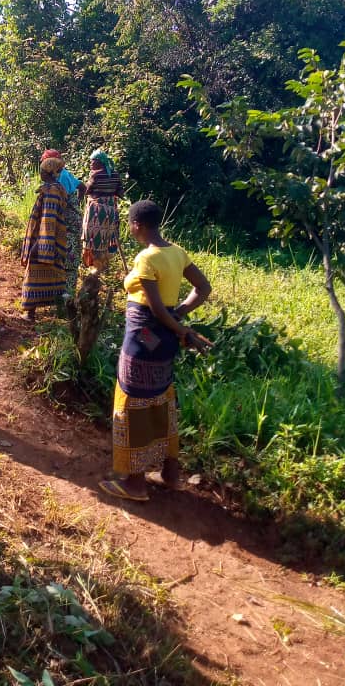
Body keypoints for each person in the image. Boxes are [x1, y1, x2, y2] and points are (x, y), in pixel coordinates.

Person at [99, 200, 212, 503]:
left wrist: (179, 326)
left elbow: (156, 309)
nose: (130, 227)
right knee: (162, 399)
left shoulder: (146, 259)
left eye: (130, 223)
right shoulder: (177, 253)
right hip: (163, 343)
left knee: (133, 402)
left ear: (137, 225)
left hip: (142, 341)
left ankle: (135, 484)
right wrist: (181, 317)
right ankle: (171, 474)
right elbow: (203, 287)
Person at [21, 151, 69, 321]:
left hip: (46, 240)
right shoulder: (57, 189)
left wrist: (39, 246)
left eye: (41, 170)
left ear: (47, 172)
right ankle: (61, 312)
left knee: (34, 274)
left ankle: (30, 313)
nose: (39, 173)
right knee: (55, 276)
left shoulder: (51, 191)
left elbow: (48, 221)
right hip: (53, 240)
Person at [81, 149, 125, 271]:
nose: (90, 164)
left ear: (100, 162)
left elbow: (86, 191)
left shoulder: (96, 175)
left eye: (92, 161)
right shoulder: (115, 174)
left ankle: (95, 268)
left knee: (93, 240)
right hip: (110, 212)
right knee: (106, 240)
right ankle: (104, 267)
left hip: (96, 212)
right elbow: (121, 193)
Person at [55, 157, 86, 300]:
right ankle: (67, 296)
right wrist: (77, 203)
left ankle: (64, 298)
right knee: (71, 260)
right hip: (74, 223)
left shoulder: (59, 181)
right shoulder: (67, 175)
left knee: (65, 260)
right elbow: (82, 186)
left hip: (66, 226)